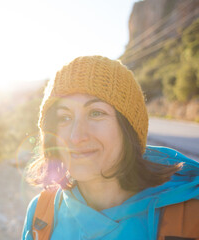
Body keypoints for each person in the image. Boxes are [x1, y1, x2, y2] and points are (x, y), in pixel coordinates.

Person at [22, 56, 199, 240]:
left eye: (96, 113)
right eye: (64, 117)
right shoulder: (41, 215)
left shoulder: (189, 217)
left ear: (129, 127)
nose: (76, 136)